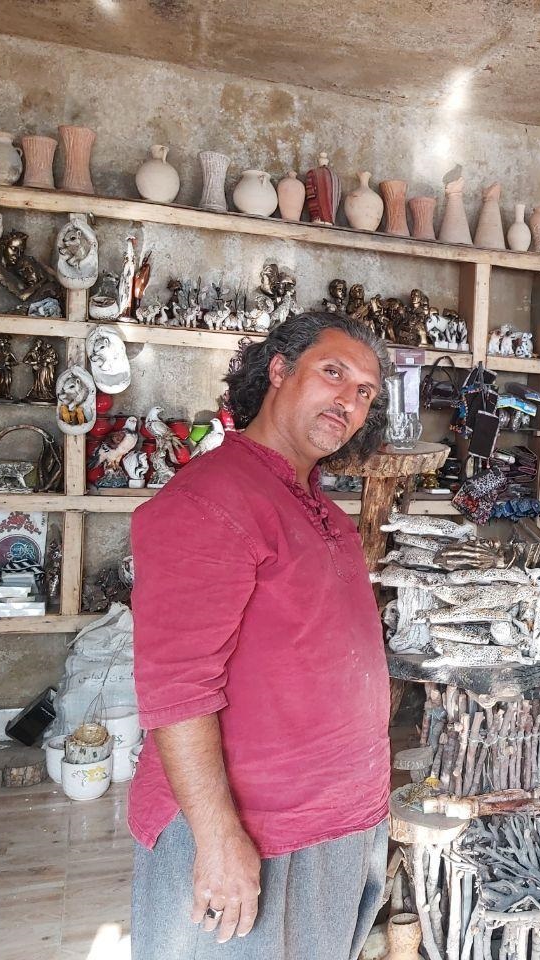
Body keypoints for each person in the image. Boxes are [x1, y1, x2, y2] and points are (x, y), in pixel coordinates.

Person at [129, 311, 393, 958]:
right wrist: (218, 840)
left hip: (337, 820)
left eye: (365, 392)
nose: (349, 401)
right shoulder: (211, 498)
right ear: (278, 370)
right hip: (249, 832)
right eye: (333, 373)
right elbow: (177, 689)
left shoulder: (322, 506)